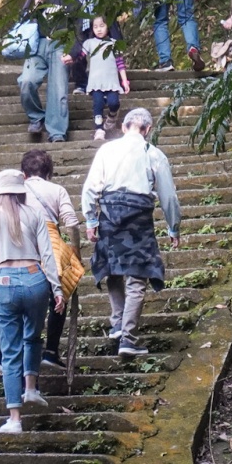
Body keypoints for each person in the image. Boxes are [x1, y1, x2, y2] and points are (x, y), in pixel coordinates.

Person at [0, 170, 66, 434]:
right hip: (36, 278)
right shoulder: (35, 213)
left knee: (10, 352)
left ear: (0, 191)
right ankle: (32, 388)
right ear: (21, 190)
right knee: (33, 337)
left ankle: (14, 419)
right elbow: (48, 254)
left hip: (5, 282)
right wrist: (57, 289)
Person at [81, 108, 181, 357]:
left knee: (113, 268)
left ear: (124, 127)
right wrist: (173, 226)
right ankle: (128, 337)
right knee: (137, 276)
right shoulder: (154, 154)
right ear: (147, 130)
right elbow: (168, 195)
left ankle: (117, 323)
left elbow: (90, 188)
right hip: (139, 216)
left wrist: (91, 220)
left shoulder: (106, 150)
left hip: (110, 214)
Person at [19, 149, 79, 369]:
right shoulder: (57, 190)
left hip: (21, 247)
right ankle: (51, 350)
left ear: (23, 173)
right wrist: (75, 252)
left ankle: (25, 355)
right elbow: (71, 223)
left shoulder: (16, 191)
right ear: (48, 172)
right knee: (59, 294)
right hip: (52, 244)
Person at [17, 0, 80, 143]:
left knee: (58, 90)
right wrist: (34, 7)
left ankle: (57, 132)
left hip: (61, 45)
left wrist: (73, 52)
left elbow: (79, 30)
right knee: (26, 81)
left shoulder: (75, 2)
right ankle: (36, 117)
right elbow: (23, 18)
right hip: (39, 44)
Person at [80, 15, 131, 141]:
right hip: (96, 82)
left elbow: (120, 63)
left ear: (108, 27)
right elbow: (80, 56)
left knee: (114, 103)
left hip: (112, 82)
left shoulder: (114, 44)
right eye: (95, 27)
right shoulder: (89, 43)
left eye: (102, 26)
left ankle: (112, 115)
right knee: (98, 104)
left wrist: (124, 81)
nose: (99, 29)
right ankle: (99, 129)